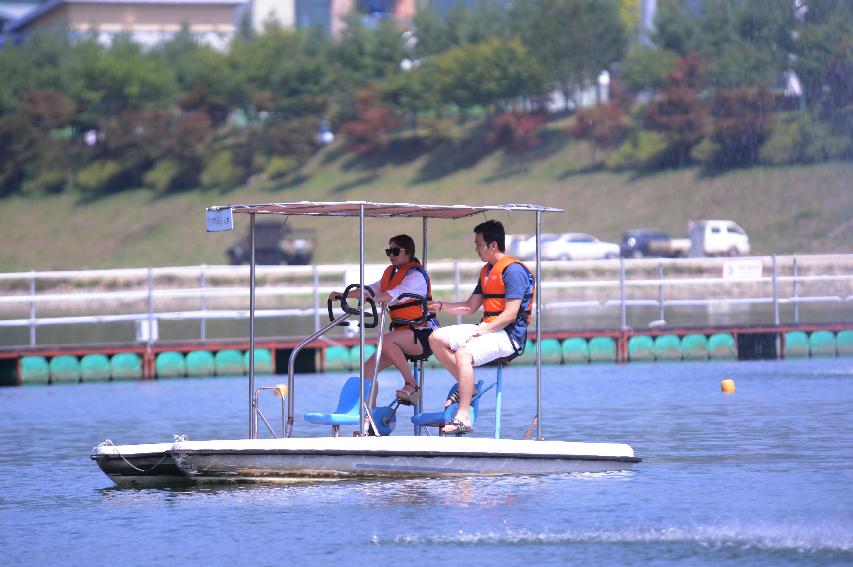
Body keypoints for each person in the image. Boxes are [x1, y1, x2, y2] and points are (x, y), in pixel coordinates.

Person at [427, 220, 534, 434]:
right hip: (488, 328)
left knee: (464, 353)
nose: (476, 249)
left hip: (508, 336)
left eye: (478, 244)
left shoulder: (513, 271)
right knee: (435, 338)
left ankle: (463, 417)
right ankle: (470, 388)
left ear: (492, 245)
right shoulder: (486, 271)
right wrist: (440, 306)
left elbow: (510, 314)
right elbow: (469, 306)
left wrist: (482, 331)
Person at [329, 234, 437, 405]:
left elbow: (394, 294)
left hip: (422, 334)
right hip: (400, 336)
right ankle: (370, 419)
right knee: (367, 371)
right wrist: (344, 295)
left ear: (408, 253)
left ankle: (412, 384)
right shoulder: (391, 274)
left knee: (384, 341)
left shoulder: (415, 276)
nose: (391, 255)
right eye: (389, 251)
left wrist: (374, 299)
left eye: (395, 251)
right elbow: (371, 290)